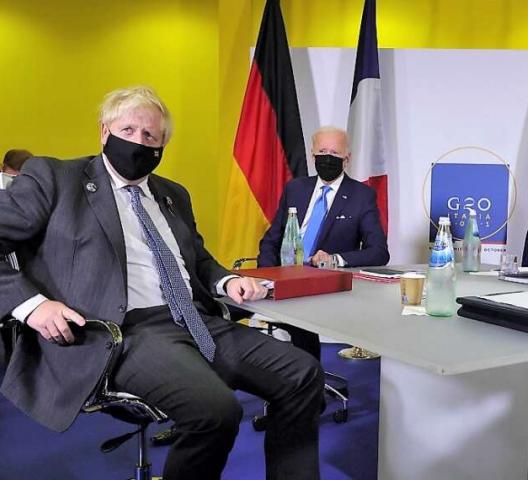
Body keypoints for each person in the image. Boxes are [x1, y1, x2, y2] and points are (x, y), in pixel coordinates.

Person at [0, 86, 323, 480]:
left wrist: (226, 281)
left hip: (197, 319)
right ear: (104, 131)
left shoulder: (173, 194)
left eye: (150, 135)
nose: (139, 141)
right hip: (125, 331)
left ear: (163, 144)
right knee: (216, 412)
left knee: (303, 374)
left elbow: (198, 259)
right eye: (128, 130)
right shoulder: (55, 178)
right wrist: (32, 306)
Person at [258, 125, 389, 360]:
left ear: (347, 158)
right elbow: (271, 240)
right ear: (312, 155)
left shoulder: (361, 195)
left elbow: (379, 252)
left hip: (321, 283)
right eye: (322, 152)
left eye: (335, 153)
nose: (328, 158)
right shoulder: (296, 188)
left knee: (300, 321)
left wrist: (335, 260)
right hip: (282, 278)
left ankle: (305, 373)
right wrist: (267, 276)